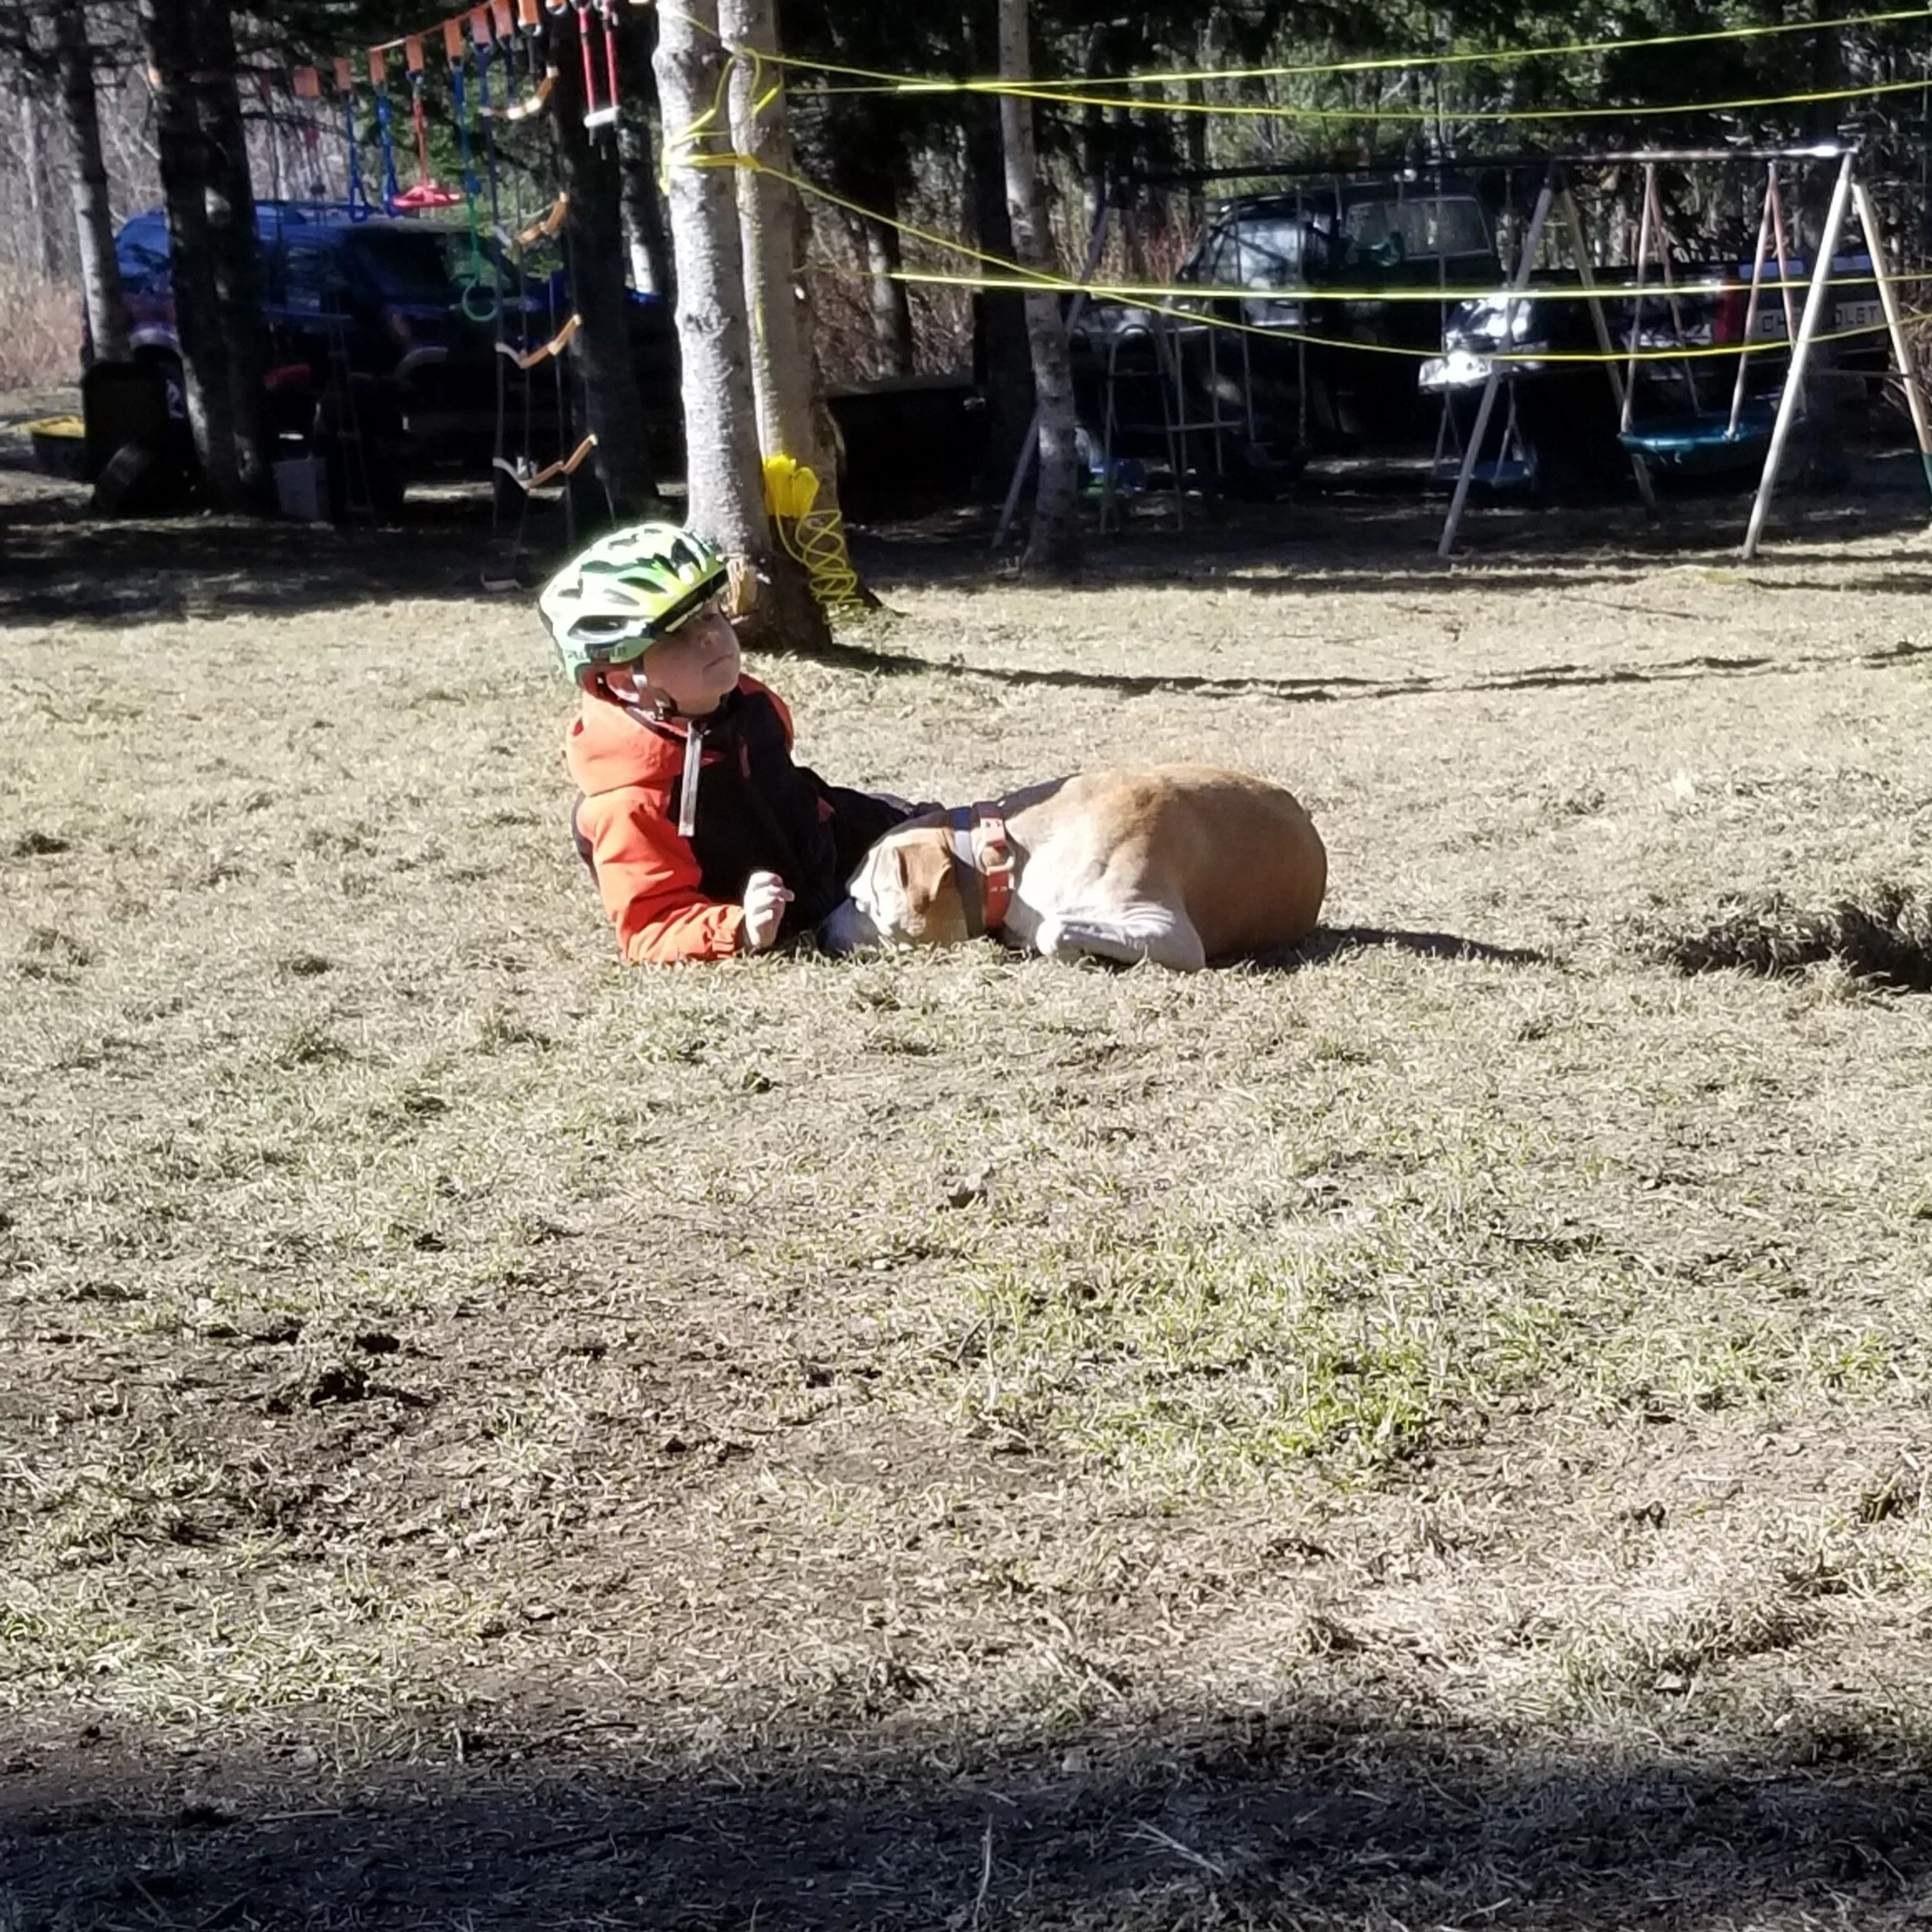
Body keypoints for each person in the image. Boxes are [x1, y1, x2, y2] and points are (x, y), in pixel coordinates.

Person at [539, 522, 913, 964]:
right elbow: (651, 924)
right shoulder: (632, 803)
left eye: (711, 613)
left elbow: (796, 795)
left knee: (963, 834)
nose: (710, 635)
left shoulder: (749, 703)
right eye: (676, 633)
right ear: (623, 681)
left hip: (836, 843)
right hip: (784, 903)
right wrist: (740, 928)